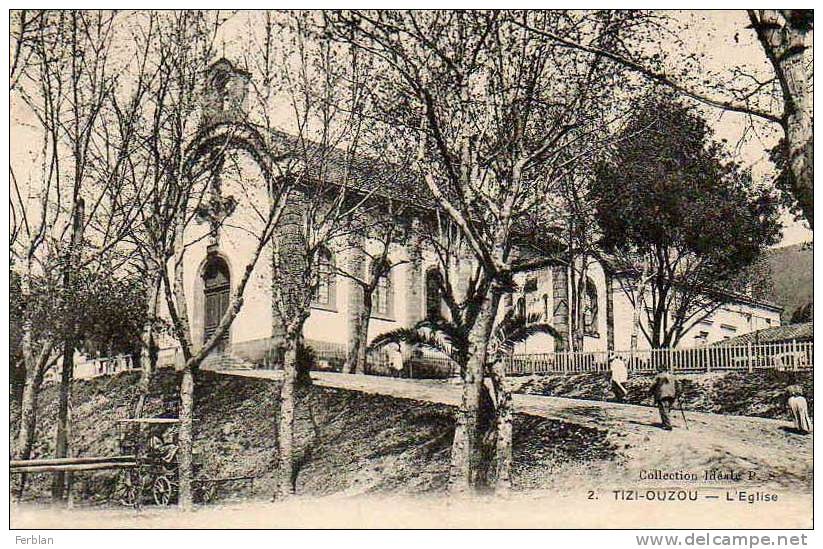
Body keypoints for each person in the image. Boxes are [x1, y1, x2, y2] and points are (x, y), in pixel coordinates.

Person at [649, 363, 678, 430]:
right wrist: (678, 393)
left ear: (661, 369)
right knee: (667, 409)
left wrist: (649, 392)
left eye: (658, 368)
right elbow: (678, 385)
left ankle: (667, 425)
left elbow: (653, 385)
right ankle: (665, 422)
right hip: (671, 394)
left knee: (663, 410)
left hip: (662, 395)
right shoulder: (672, 376)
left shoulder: (658, 376)